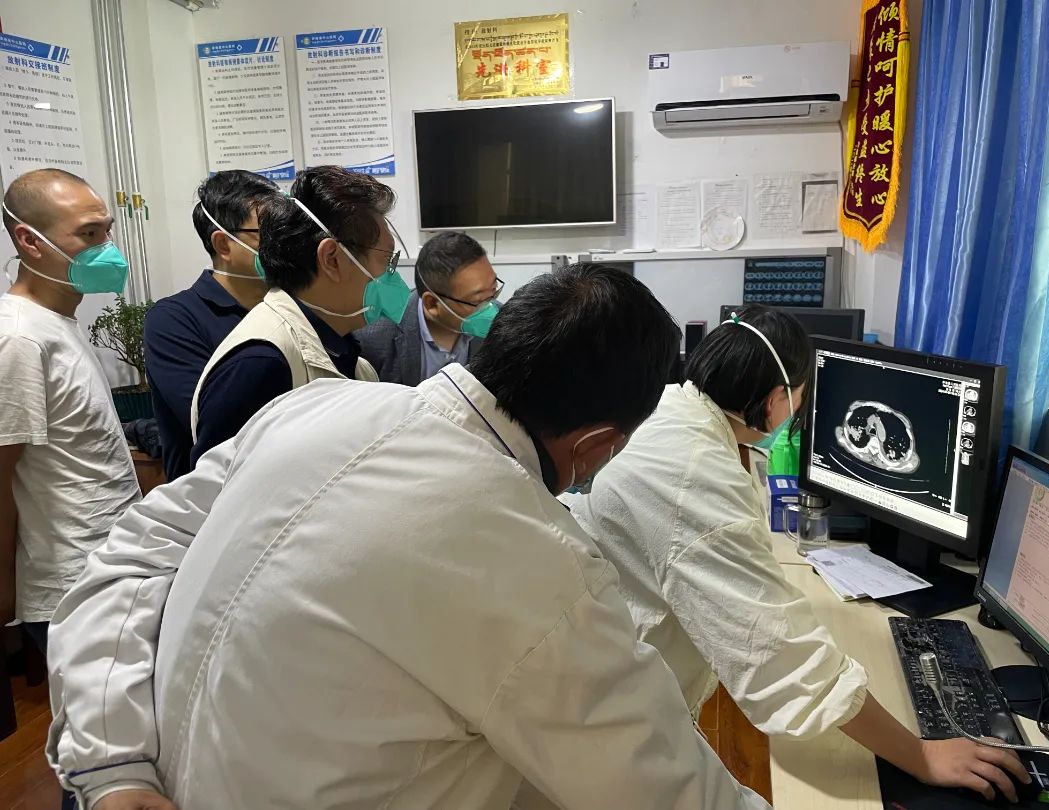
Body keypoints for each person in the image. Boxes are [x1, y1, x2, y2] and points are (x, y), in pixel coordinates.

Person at [46, 264, 770, 810]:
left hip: (133, 780)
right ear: (598, 444)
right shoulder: (541, 571)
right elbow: (668, 787)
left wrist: (114, 766)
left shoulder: (311, 407)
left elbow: (128, 559)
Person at [553, 304, 1030, 803]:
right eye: (801, 398)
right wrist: (921, 755)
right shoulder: (696, 477)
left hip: (601, 645)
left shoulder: (671, 406)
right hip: (613, 705)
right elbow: (781, 657)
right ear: (777, 398)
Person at [0, 169, 141, 810]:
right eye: (89, 235)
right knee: (99, 761)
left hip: (108, 571)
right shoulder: (18, 337)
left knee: (117, 750)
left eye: (107, 229)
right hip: (67, 588)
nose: (107, 247)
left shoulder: (59, 323)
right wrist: (5, 592)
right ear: (29, 241)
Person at [188, 165, 405, 467]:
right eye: (388, 260)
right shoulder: (260, 363)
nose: (394, 276)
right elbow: (218, 488)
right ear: (332, 259)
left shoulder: (349, 357)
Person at [144, 170, 279, 481]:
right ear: (224, 244)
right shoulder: (174, 320)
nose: (286, 245)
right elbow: (218, 426)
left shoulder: (292, 307)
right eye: (270, 233)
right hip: (217, 497)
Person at [355, 231, 499, 385]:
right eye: (478, 300)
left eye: (494, 291)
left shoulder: (503, 324)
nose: (491, 308)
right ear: (432, 304)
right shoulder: (374, 338)